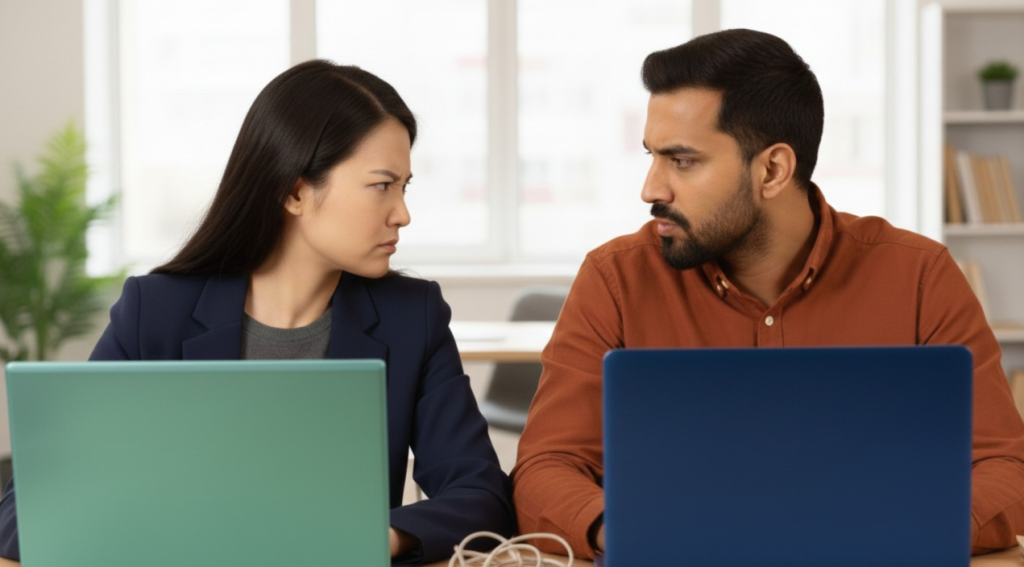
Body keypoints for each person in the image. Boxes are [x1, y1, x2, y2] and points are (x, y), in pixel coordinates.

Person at [511, 29, 1024, 558]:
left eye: (682, 160)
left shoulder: (919, 276)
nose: (651, 188)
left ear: (773, 170)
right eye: (652, 156)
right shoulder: (615, 278)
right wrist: (626, 534)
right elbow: (545, 468)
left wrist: (902, 534)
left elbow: (1004, 466)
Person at [0, 59, 515, 565]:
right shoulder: (155, 311)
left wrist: (375, 539)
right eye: (382, 185)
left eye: (404, 187)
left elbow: (481, 494)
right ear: (294, 191)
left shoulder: (413, 317)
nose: (403, 213)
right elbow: (23, 512)